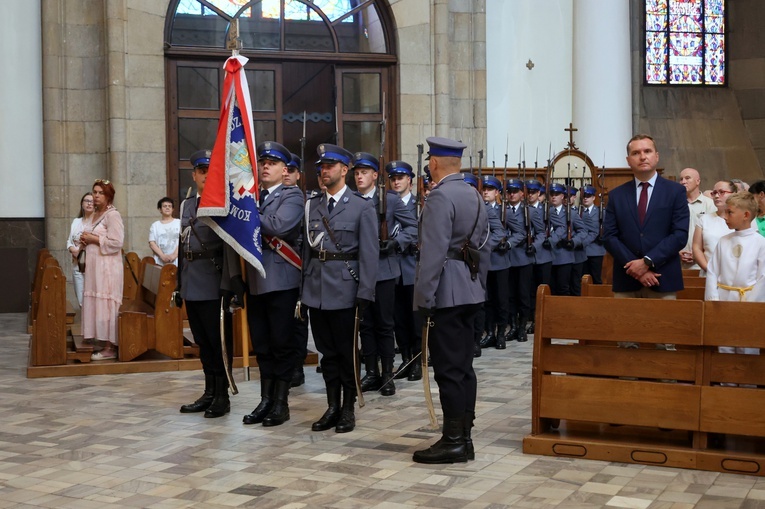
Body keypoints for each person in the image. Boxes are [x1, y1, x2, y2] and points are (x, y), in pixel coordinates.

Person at [413, 136, 489, 464]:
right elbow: (483, 246)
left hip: (446, 293)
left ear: (433, 163)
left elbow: (431, 254)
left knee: (448, 370)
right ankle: (465, 437)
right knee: (464, 368)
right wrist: (478, 285)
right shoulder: (473, 193)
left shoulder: (440, 197)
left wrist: (423, 299)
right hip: (470, 289)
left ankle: (453, 440)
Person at [225, 141, 304, 427]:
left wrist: (244, 214)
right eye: (263, 162)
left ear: (285, 169)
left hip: (282, 280)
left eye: (272, 162)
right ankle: (266, 400)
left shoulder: (292, 195)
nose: (266, 166)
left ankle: (281, 403)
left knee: (282, 344)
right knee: (263, 345)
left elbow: (278, 226)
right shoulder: (252, 197)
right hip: (256, 281)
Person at [302, 143, 378, 433]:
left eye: (330, 166)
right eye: (321, 166)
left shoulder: (362, 207)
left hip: (346, 291)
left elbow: (369, 254)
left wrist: (366, 292)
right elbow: (307, 252)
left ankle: (348, 409)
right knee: (326, 353)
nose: (324, 170)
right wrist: (302, 294)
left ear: (344, 170)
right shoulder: (313, 205)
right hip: (317, 291)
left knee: (347, 353)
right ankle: (332, 406)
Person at [352, 153, 417, 397]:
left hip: (384, 270)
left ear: (375, 175)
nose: (359, 177)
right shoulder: (352, 200)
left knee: (384, 323)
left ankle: (387, 373)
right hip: (360, 271)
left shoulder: (389, 200)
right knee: (365, 324)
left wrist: (395, 242)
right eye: (356, 173)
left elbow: (413, 227)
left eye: (364, 172)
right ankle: (371, 372)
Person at [177, 149, 232, 418]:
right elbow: (181, 245)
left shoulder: (223, 203)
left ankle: (222, 396)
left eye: (212, 172)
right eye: (202, 171)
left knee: (217, 342)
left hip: (213, 282)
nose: (206, 176)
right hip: (191, 281)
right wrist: (179, 284)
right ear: (195, 175)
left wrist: (229, 285)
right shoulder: (187, 204)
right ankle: (209, 391)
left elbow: (230, 249)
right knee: (202, 341)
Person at [603, 134, 689, 299]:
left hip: (662, 279)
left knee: (664, 325)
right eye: (636, 153)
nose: (642, 157)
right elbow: (609, 237)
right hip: (626, 280)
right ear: (628, 160)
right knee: (624, 325)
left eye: (647, 151)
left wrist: (647, 261)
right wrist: (636, 270)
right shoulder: (617, 195)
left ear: (656, 156)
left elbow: (679, 235)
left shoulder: (675, 191)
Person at [705, 192, 765, 355]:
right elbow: (712, 270)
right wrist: (713, 299)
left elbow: (763, 277)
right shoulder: (724, 241)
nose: (725, 216)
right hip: (723, 301)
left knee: (747, 346)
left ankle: (747, 381)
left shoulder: (760, 243)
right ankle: (726, 381)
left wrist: (751, 304)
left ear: (746, 215)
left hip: (748, 302)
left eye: (729, 212)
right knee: (724, 345)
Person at [80, 180, 125, 360]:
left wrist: (94, 239)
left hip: (107, 268)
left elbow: (117, 242)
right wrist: (85, 239)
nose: (96, 196)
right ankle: (102, 339)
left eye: (100, 193)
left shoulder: (113, 216)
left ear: (108, 196)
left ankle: (110, 347)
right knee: (97, 303)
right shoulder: (96, 214)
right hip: (95, 267)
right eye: (94, 192)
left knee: (107, 305)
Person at [387, 160, 423, 381]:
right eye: (393, 178)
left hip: (413, 266)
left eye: (400, 178)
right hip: (392, 268)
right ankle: (406, 358)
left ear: (409, 180)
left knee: (414, 318)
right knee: (398, 318)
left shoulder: (420, 205)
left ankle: (418, 361)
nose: (396, 182)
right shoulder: (387, 203)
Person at [478, 175, 510, 349]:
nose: (486, 192)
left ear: (497, 192)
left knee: (501, 300)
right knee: (487, 299)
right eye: (484, 189)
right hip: (485, 263)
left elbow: (507, 231)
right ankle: (489, 332)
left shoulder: (502, 209)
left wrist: (490, 245)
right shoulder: (479, 208)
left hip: (500, 261)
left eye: (490, 190)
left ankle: (500, 334)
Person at [504, 178, 534, 342]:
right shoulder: (503, 210)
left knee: (523, 294)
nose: (512, 194)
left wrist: (533, 243)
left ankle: (522, 326)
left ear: (522, 194)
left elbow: (540, 230)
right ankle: (513, 326)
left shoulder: (528, 211)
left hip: (523, 257)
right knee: (510, 295)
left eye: (515, 191)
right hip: (507, 258)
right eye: (509, 191)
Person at [547, 183, 586, 296]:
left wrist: (573, 241)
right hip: (547, 255)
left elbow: (583, 231)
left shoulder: (571, 213)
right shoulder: (544, 212)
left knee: (563, 288)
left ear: (562, 196)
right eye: (551, 194)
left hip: (564, 256)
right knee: (549, 290)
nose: (554, 197)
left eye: (557, 194)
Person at [692, 180, 737, 275]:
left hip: (736, 273)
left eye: (722, 192)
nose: (716, 196)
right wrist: (709, 269)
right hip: (709, 272)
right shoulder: (704, 219)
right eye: (714, 193)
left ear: (734, 194)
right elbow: (697, 248)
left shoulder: (742, 219)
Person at [678, 168, 716, 269]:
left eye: (687, 178)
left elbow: (714, 232)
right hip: (678, 261)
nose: (683, 182)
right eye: (681, 179)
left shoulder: (710, 204)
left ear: (698, 181)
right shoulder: (675, 203)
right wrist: (678, 251)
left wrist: (698, 253)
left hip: (703, 262)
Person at [66, 192, 94, 307]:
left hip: (91, 265)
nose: (89, 203)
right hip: (77, 264)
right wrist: (73, 249)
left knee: (91, 301)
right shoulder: (76, 222)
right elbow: (69, 240)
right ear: (82, 204)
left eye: (92, 201)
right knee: (81, 301)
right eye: (86, 201)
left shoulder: (97, 222)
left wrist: (80, 249)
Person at [580, 184, 606, 284]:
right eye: (584, 196)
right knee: (582, 279)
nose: (586, 198)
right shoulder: (578, 212)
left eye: (588, 196)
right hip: (582, 250)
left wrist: (602, 237)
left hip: (596, 250)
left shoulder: (601, 211)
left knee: (596, 278)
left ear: (594, 198)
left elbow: (607, 228)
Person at [149, 197, 181, 266]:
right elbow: (152, 243)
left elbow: (183, 241)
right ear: (160, 209)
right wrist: (162, 256)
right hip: (159, 261)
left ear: (173, 209)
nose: (167, 208)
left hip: (177, 261)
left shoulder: (179, 223)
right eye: (164, 206)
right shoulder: (155, 225)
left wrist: (174, 255)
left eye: (169, 206)